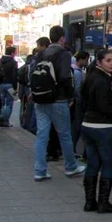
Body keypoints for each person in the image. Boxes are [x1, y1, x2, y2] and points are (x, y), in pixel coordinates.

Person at [32, 26, 85, 181]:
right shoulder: (63, 54)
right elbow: (64, 77)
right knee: (64, 134)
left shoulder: (41, 53)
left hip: (40, 98)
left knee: (42, 136)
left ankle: (40, 170)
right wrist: (70, 97)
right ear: (62, 38)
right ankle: (70, 166)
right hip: (58, 99)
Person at [80, 49, 112, 213]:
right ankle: (103, 202)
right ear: (99, 62)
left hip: (88, 125)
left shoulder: (90, 77)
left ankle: (90, 202)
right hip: (103, 127)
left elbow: (83, 100)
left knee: (93, 163)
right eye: (108, 60)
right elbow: (104, 106)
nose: (111, 63)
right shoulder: (102, 80)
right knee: (107, 164)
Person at [71, 51, 90, 157]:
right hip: (77, 103)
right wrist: (79, 102)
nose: (87, 62)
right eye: (86, 60)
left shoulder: (72, 69)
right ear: (81, 59)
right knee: (76, 126)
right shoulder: (77, 72)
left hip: (73, 102)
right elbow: (77, 89)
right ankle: (72, 149)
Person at [0, 46, 18, 127]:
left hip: (0, 84)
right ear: (12, 53)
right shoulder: (13, 62)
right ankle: (6, 121)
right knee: (9, 104)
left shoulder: (0, 61)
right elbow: (14, 76)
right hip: (10, 85)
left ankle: (1, 118)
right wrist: (15, 87)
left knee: (1, 103)